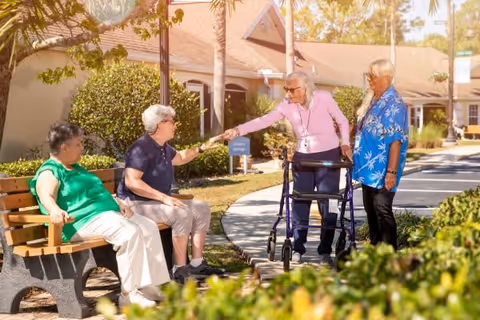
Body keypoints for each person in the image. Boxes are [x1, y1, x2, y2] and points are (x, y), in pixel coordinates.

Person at [29, 123, 170, 308]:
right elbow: (45, 194)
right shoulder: (50, 171)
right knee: (129, 233)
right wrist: (54, 210)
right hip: (79, 222)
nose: (82, 148)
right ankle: (128, 294)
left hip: (105, 215)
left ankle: (148, 285)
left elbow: (96, 193)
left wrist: (117, 203)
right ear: (64, 147)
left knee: (148, 227)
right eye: (78, 144)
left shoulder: (76, 168)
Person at [223, 71, 352, 266]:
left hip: (328, 155)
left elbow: (342, 121)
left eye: (292, 89)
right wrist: (238, 130)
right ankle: (298, 247)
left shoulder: (323, 98)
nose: (288, 93)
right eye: (286, 89)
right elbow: (264, 120)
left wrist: (345, 144)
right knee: (299, 200)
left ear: (305, 88)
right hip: (303, 156)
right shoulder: (287, 105)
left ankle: (325, 250)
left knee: (329, 202)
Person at [117, 104, 225, 284]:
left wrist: (201, 148)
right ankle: (179, 270)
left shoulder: (163, 147)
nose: (175, 125)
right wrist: (165, 198)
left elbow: (181, 157)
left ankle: (197, 263)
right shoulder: (140, 148)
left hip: (155, 202)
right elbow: (132, 182)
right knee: (180, 213)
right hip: (135, 203)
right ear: (160, 124)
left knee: (201, 208)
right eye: (172, 122)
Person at [352, 59, 409, 251]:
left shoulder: (394, 103)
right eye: (368, 75)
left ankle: (389, 254)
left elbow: (395, 140)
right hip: (369, 169)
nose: (369, 79)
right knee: (371, 210)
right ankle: (377, 249)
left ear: (386, 78)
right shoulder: (373, 99)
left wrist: (391, 172)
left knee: (382, 210)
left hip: (383, 168)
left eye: (373, 76)